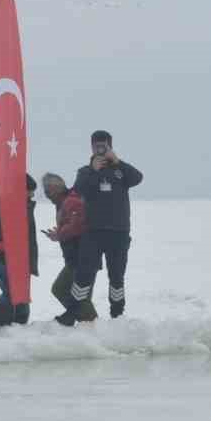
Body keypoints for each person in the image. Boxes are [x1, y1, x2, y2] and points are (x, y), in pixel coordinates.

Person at [64, 129, 142, 324]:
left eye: (103, 146)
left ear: (110, 146)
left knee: (116, 277)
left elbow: (137, 178)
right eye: (96, 146)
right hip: (93, 233)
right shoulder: (85, 171)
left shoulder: (120, 171)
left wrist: (118, 161)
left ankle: (117, 315)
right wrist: (93, 170)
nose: (100, 149)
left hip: (119, 233)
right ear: (91, 147)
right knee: (83, 275)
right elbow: (79, 189)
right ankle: (71, 313)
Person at [0, 173, 40, 323]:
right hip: (9, 257)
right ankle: (9, 321)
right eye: (30, 191)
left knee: (13, 292)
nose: (32, 195)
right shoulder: (14, 204)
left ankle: (12, 321)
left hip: (1, 256)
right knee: (13, 293)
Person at [41, 173, 96, 325]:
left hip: (83, 258)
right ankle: (89, 325)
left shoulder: (71, 201)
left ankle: (91, 324)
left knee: (62, 289)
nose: (46, 195)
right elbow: (72, 225)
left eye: (47, 191)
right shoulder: (64, 202)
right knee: (79, 294)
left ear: (57, 188)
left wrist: (59, 234)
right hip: (77, 258)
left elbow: (78, 225)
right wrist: (59, 233)